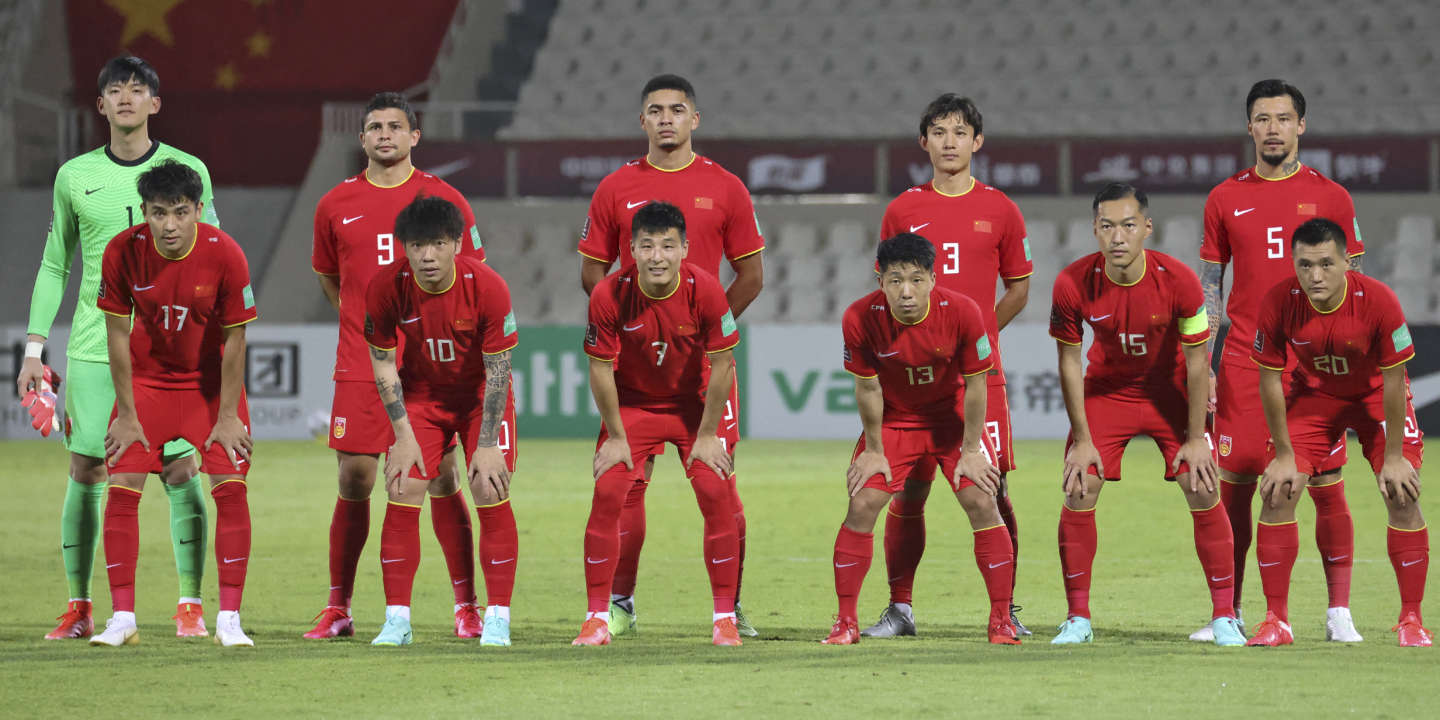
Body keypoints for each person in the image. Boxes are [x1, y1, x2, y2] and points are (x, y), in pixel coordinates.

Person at [18, 55, 219, 640]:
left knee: (180, 466)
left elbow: (214, 254)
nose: (125, 97)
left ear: (155, 103)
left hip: (172, 349)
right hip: (93, 345)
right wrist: (34, 348)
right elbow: (55, 264)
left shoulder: (189, 170)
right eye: (114, 90)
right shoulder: (74, 176)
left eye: (137, 89)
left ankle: (189, 605)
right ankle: (80, 607)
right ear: (100, 104)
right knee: (87, 467)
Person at [578, 74, 764, 637]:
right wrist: (632, 326)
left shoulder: (726, 187)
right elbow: (593, 272)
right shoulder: (615, 187)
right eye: (655, 110)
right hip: (635, 370)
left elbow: (751, 275)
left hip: (703, 369)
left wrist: (705, 329)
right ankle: (619, 604)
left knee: (719, 484)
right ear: (642, 121)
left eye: (677, 110)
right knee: (625, 485)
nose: (666, 119)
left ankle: (731, 606)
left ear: (694, 119)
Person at [306, 92, 488, 640]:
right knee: (354, 477)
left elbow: (472, 277)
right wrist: (370, 323)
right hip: (362, 362)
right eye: (375, 127)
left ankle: (467, 606)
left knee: (441, 477)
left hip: (433, 367)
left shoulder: (445, 198)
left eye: (395, 126)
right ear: (361, 138)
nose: (385, 134)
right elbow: (331, 279)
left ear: (415, 136)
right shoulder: (335, 204)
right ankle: (339, 607)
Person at [1194, 79, 1367, 643]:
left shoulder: (1332, 197)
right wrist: (1206, 365)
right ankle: (1230, 613)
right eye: (1263, 119)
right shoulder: (1224, 197)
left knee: (1326, 483)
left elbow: (1356, 285)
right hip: (1246, 362)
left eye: (1284, 118)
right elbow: (1212, 287)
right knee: (1238, 486)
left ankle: (1338, 611)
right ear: (1249, 127)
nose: (1273, 129)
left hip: (1313, 368)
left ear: (1301, 126)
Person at [1048, 183, 1244, 646]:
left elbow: (1197, 363)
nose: (1118, 236)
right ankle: (1078, 619)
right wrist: (1081, 439)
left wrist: (1195, 438)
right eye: (1107, 226)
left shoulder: (1180, 281)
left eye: (1128, 225)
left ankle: (1224, 617)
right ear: (1094, 229)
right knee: (1079, 485)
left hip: (1169, 391)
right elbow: (1069, 362)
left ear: (1147, 228)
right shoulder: (1071, 283)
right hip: (1108, 393)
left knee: (1202, 483)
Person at [868, 94, 1032, 638]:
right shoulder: (903, 210)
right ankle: (900, 609)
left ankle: (1006, 610)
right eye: (938, 132)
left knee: (991, 489)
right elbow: (887, 285)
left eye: (960, 132)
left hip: (978, 379)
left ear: (977, 141)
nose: (949, 142)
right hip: (912, 381)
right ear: (924, 142)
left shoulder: (1002, 209)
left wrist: (975, 343)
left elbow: (1019, 289)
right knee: (908, 491)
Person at [89, 160, 256, 647]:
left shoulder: (226, 253)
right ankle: (122, 619)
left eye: (180, 212)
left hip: (209, 390)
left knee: (231, 488)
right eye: (158, 212)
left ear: (198, 210)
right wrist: (125, 414)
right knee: (121, 485)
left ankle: (229, 620)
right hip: (147, 387)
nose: (169, 225)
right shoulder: (122, 251)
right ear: (143, 211)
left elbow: (236, 339)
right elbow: (116, 335)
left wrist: (228, 416)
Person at [822, 232, 1016, 646]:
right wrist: (874, 450)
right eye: (895, 280)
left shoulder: (963, 311)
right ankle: (846, 622)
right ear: (880, 281)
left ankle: (1002, 621)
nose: (906, 291)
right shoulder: (859, 317)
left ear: (932, 279)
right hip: (896, 422)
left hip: (952, 420)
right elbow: (868, 388)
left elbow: (977, 384)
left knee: (982, 499)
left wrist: (971, 450)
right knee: (863, 502)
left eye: (915, 279)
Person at [1246, 218, 1429, 647]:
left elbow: (1394, 381)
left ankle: (1411, 620)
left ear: (1348, 261)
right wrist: (1284, 455)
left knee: (1401, 492)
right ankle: (1276, 621)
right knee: (1278, 490)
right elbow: (1270, 380)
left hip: (1374, 397)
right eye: (1305, 265)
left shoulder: (1378, 300)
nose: (1315, 275)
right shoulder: (1279, 301)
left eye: (1326, 264)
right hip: (1314, 397)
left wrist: (1394, 458)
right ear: (1293, 264)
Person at [573, 201, 743, 647]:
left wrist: (708, 435)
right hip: (635, 407)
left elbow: (723, 365)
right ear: (631, 250)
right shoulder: (609, 294)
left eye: (668, 246)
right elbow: (599, 368)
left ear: (685, 248)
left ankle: (725, 619)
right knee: (608, 491)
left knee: (716, 491)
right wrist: (615, 436)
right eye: (646, 246)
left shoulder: (707, 290)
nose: (657, 257)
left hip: (694, 406)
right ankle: (597, 618)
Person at [362, 195, 519, 647]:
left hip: (478, 400)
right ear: (404, 247)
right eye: (417, 245)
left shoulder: (488, 286)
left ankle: (497, 618)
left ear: (457, 243)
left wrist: (486, 444)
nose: (427, 256)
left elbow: (498, 371)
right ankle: (397, 621)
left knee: (489, 487)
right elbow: (383, 363)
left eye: (438, 244)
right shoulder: (386, 286)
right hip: (422, 398)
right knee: (401, 486)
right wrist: (403, 436)